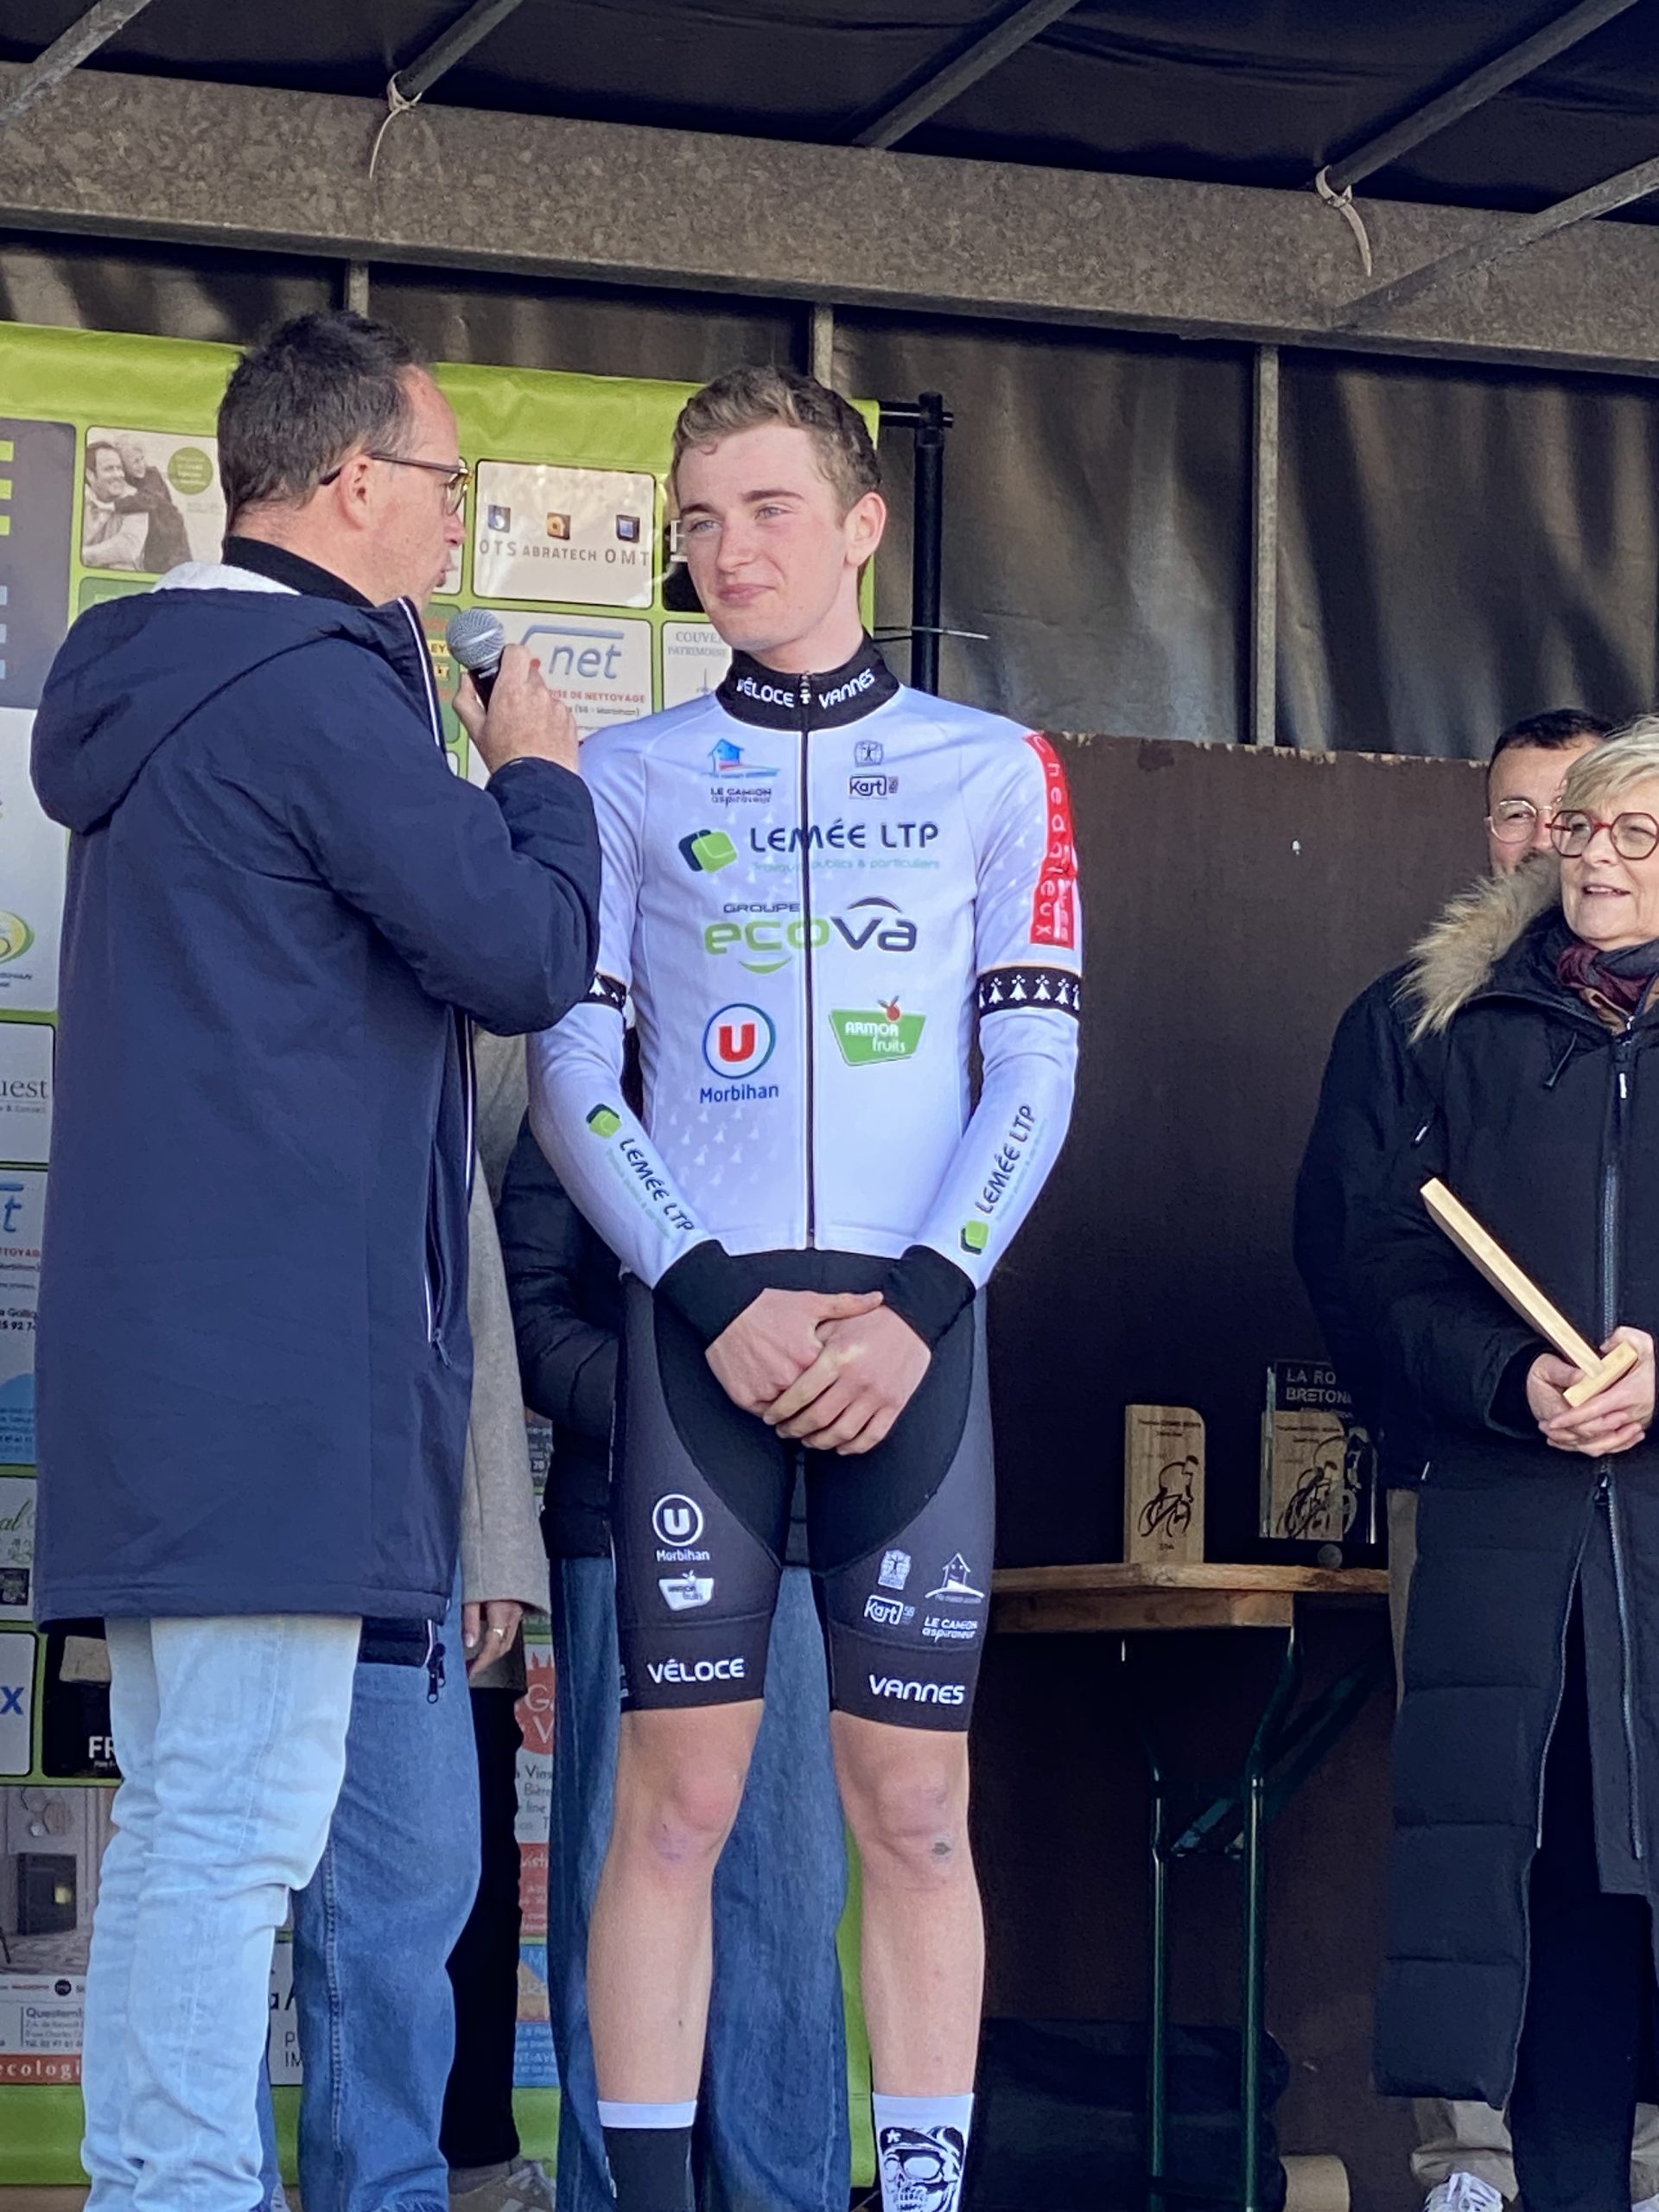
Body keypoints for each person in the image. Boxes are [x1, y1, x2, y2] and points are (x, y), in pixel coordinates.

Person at [30, 306, 600, 2212]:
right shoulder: (304, 688)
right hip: (270, 1376)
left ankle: (158, 2179)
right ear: (354, 481)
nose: (452, 525)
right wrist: (537, 776)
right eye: (445, 483)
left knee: (197, 1813)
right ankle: (175, 2189)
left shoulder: (175, 682)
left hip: (186, 1369)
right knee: (235, 1825)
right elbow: (522, 949)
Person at [529, 365, 1082, 2212]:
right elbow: (573, 1074)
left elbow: (1035, 1067)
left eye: (768, 508)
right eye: (699, 519)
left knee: (913, 1810)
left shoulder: (998, 766)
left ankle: (916, 2196)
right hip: (706, 1333)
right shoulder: (623, 775)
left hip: (912, 1340)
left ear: (862, 523)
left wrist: (921, 1307)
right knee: (675, 1804)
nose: (730, 547)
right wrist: (708, 1293)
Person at [1296, 709, 1659, 2212]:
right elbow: (1372, 1262)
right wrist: (1516, 1379)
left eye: (1637, 835)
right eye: (1582, 830)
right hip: (1514, 1532)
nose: (1597, 861)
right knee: (1548, 1876)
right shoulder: (1445, 1025)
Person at [495, 1112, 851, 2212]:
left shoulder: (849, 1082)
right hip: (627, 1521)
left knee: (788, 1901)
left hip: (812, 1534)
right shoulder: (593, 1078)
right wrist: (689, 1403)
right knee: (624, 1883)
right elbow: (526, 1312)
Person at [112, 435, 194, 575]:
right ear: (123, 466)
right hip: (154, 541)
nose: (141, 465)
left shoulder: (152, 475)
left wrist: (114, 506)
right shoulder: (125, 481)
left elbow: (149, 500)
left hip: (172, 538)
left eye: (141, 459)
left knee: (178, 575)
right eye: (135, 462)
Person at [80, 439, 147, 569]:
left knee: (121, 565)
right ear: (90, 475)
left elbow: (128, 547)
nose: (118, 475)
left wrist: (82, 554)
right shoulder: (78, 496)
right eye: (109, 469)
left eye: (120, 468)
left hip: (119, 574)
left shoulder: (135, 499)